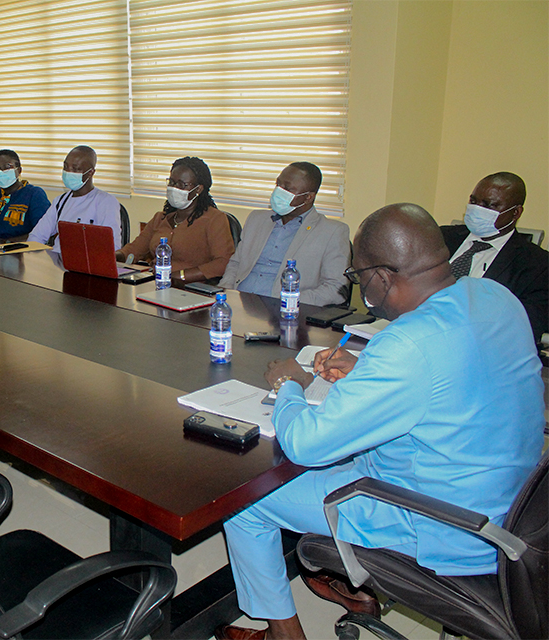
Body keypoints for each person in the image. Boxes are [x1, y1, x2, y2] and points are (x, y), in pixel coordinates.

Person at [215, 203, 543, 640]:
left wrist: (291, 384)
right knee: (335, 457)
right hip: (512, 501)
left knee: (244, 500)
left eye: (359, 277)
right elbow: (460, 365)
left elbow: (306, 444)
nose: (360, 288)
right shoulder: (493, 296)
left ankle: (284, 634)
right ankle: (344, 586)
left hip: (439, 521)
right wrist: (369, 364)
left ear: (384, 278)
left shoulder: (407, 344)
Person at [219, 162, 350, 306]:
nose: (278, 191)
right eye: (278, 184)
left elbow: (336, 288)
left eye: (287, 188)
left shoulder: (332, 231)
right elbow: (236, 264)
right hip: (237, 304)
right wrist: (225, 294)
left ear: (308, 197)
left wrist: (290, 301)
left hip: (284, 311)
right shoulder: (256, 219)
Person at [440, 171, 548, 341]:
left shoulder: (538, 265)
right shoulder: (439, 237)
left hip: (477, 347)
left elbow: (525, 327)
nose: (477, 209)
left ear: (515, 213)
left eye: (489, 205)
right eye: (473, 201)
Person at [116, 157, 234, 283]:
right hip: (156, 283)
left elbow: (223, 262)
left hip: (192, 289)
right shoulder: (160, 218)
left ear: (198, 189)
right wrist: (115, 256)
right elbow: (134, 249)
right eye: (171, 182)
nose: (174, 188)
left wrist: (181, 275)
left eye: (181, 184)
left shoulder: (214, 219)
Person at [28, 146, 121, 253]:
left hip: (86, 265)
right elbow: (36, 236)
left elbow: (112, 247)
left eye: (75, 169)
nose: (68, 172)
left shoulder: (106, 202)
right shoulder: (60, 201)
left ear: (90, 172)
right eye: (65, 167)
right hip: (58, 262)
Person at [0, 149, 51, 241]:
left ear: (19, 170)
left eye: (7, 167)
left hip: (19, 251)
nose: (0, 172)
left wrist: (7, 244)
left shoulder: (34, 194)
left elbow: (42, 232)